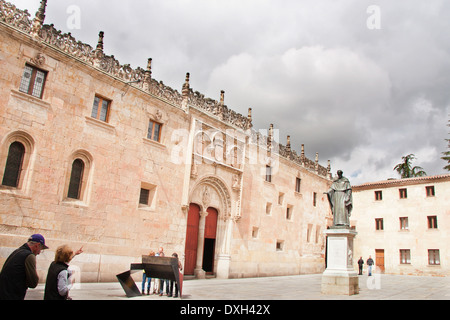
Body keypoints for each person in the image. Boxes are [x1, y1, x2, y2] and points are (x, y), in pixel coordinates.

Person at [0, 234, 48, 300]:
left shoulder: (17, 251)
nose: (39, 253)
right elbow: (33, 283)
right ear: (37, 245)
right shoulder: (29, 256)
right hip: (12, 296)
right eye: (41, 249)